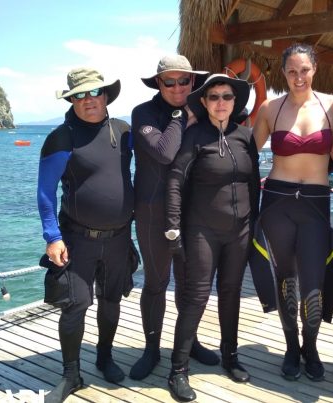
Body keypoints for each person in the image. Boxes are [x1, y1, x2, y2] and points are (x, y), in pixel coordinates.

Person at [37, 68, 136, 403]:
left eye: (94, 92)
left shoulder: (123, 131)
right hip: (76, 239)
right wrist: (52, 237)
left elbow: (152, 164)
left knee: (111, 301)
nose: (88, 100)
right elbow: (45, 193)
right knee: (74, 306)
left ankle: (104, 357)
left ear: (106, 95)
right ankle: (71, 375)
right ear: (71, 100)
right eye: (79, 94)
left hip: (120, 237)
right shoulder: (61, 138)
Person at [165, 73, 259, 402]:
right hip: (202, 230)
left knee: (231, 293)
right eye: (214, 97)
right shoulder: (194, 136)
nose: (221, 102)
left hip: (240, 231)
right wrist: (173, 226)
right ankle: (178, 370)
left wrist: (254, 223)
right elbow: (175, 180)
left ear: (235, 102)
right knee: (197, 296)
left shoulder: (245, 136)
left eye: (227, 97)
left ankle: (230, 357)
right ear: (204, 102)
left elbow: (253, 183)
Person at [252, 43, 333, 382]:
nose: (298, 77)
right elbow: (244, 152)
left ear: (314, 69)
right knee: (285, 279)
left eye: (304, 70)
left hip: (315, 202)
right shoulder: (270, 108)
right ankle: (291, 347)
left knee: (313, 280)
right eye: (291, 71)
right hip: (277, 201)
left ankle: (311, 347)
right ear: (283, 73)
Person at [130, 55, 219, 380]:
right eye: (170, 81)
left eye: (185, 81)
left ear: (193, 81)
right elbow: (165, 152)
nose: (178, 87)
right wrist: (183, 116)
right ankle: (151, 349)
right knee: (156, 283)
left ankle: (189, 342)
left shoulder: (201, 110)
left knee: (189, 284)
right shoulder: (144, 113)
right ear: (159, 83)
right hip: (153, 212)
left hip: (192, 211)